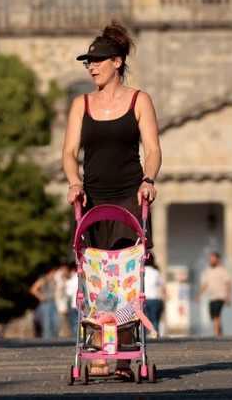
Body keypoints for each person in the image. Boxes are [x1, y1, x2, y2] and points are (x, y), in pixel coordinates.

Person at [62, 20, 161, 378]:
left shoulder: (139, 100)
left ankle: (121, 358)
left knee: (124, 276)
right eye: (88, 61)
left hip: (129, 196)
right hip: (93, 198)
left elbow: (152, 149)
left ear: (117, 61)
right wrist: (74, 182)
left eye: (98, 60)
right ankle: (98, 352)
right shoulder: (81, 104)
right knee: (95, 276)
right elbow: (70, 152)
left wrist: (149, 179)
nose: (91, 66)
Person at [196, 251, 232, 336]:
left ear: (217, 259)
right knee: (214, 316)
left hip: (220, 296)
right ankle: (220, 332)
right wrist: (199, 295)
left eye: (213, 259)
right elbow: (205, 284)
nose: (211, 260)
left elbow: (228, 284)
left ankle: (216, 333)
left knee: (216, 315)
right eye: (210, 259)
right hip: (211, 297)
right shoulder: (208, 271)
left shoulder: (222, 270)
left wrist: (228, 297)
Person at [30, 265, 59, 338]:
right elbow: (33, 289)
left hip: (53, 302)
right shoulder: (43, 280)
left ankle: (53, 337)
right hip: (45, 303)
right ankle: (47, 338)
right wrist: (40, 296)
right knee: (46, 322)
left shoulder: (54, 281)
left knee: (56, 322)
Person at [144, 255, 165, 338]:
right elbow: (162, 283)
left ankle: (146, 335)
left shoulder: (140, 271)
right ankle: (154, 335)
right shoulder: (156, 272)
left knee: (146, 319)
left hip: (143, 298)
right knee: (154, 318)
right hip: (154, 297)